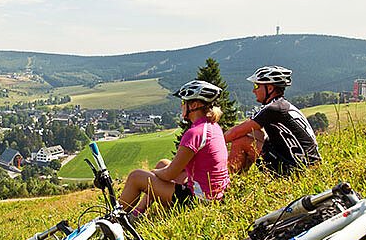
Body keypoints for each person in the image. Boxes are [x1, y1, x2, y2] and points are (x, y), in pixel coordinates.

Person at [118, 80, 230, 216]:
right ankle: (137, 214)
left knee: (136, 176)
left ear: (194, 105)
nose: (182, 106)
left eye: (183, 102)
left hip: (199, 202)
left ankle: (113, 220)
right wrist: (159, 172)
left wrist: (155, 173)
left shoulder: (194, 133)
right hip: (216, 196)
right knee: (163, 163)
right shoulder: (213, 126)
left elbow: (170, 174)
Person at [224, 66, 321, 176]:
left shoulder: (272, 109)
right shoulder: (282, 105)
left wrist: (211, 146)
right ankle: (239, 177)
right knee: (255, 133)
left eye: (257, 86)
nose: (253, 90)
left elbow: (235, 132)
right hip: (309, 166)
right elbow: (251, 131)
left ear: (269, 88)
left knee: (240, 142)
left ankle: (227, 183)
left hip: (297, 170)